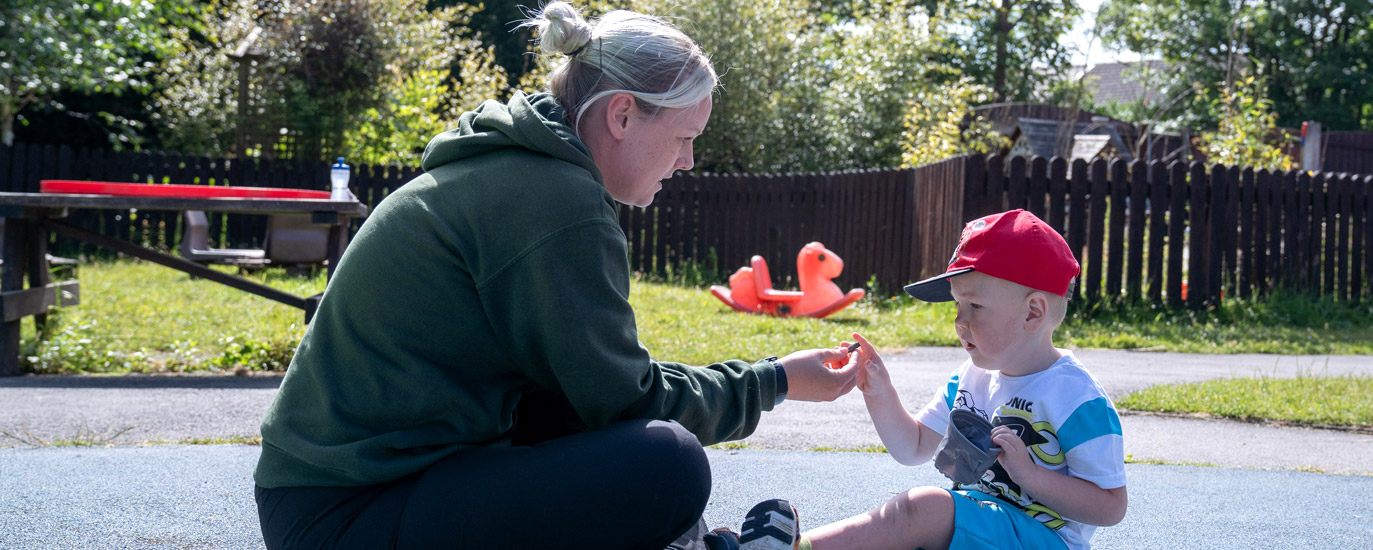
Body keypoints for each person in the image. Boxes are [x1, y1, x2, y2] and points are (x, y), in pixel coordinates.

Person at [251, 3, 858, 548]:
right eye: (683, 137)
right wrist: (771, 382)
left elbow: (591, 390)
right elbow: (628, 402)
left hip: (339, 493)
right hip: (347, 515)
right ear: (622, 115)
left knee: (562, 408)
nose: (687, 162)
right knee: (667, 461)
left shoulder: (514, 166)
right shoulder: (557, 202)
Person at [745, 209, 1128, 550]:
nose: (960, 320)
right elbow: (912, 447)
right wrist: (880, 391)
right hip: (976, 525)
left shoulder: (1077, 399)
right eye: (957, 304)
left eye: (975, 306)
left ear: (1033, 313)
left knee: (921, 510)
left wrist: (1030, 476)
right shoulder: (971, 376)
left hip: (1038, 538)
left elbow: (1111, 506)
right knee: (918, 523)